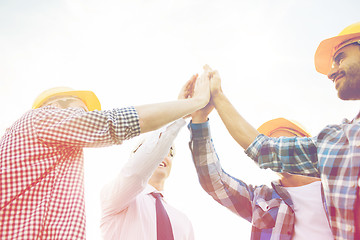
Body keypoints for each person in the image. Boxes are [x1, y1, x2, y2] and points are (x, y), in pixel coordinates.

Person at [0, 67, 210, 240]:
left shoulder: (50, 154)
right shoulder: (40, 119)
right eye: (82, 111)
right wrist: (191, 105)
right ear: (55, 105)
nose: (87, 117)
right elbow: (114, 122)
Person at [206, 22, 360, 239]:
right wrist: (215, 102)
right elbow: (262, 148)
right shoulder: (336, 143)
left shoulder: (330, 183)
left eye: (340, 58)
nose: (331, 72)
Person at [189, 108, 333, 239]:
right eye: (270, 144)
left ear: (303, 144)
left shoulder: (339, 188)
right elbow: (215, 182)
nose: (274, 149)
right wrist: (199, 122)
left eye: (281, 142)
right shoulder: (261, 198)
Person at [100, 119, 194, 240]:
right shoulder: (116, 198)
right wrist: (178, 116)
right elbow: (136, 172)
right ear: (134, 156)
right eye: (159, 148)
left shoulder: (184, 222)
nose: (163, 155)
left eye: (169, 152)